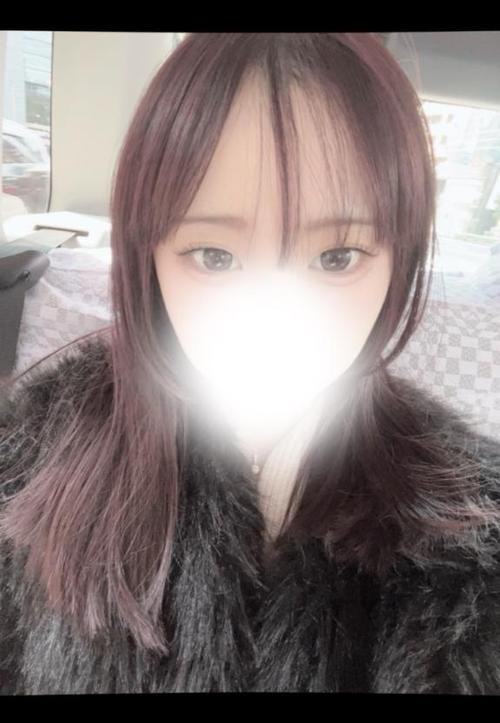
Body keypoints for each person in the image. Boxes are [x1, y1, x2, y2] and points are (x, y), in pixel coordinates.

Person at [1, 32, 500, 695]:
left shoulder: (476, 534)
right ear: (148, 258)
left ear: (398, 261)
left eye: (337, 257)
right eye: (214, 255)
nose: (277, 318)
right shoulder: (29, 463)